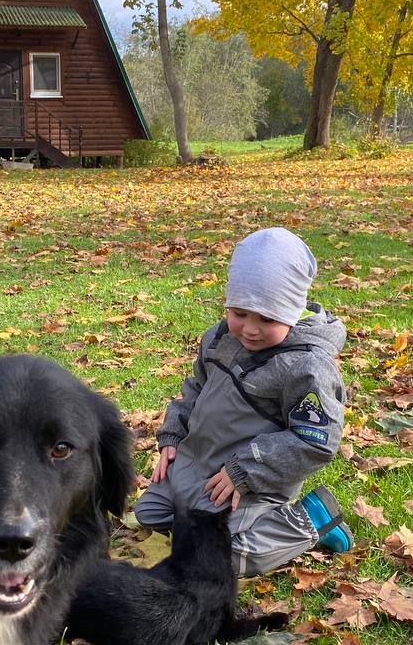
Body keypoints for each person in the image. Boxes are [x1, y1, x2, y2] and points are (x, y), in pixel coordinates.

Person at [135, 227, 352, 576]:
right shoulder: (220, 336)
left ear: (294, 310)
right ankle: (200, 521)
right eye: (240, 312)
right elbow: (195, 388)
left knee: (214, 562)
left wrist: (245, 471)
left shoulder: (306, 366)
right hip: (197, 465)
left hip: (249, 482)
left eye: (267, 318)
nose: (250, 328)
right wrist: (172, 436)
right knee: (149, 513)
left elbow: (315, 442)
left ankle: (308, 521)